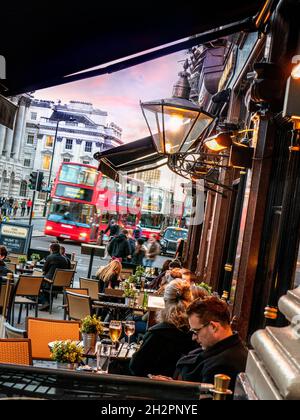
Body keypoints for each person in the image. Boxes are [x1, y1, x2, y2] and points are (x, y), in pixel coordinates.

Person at [172, 296, 248, 391]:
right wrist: (171, 383)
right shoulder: (221, 347)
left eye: (196, 331)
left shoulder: (224, 366)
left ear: (213, 327)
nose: (193, 337)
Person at [129, 280, 197, 378]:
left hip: (155, 388)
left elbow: (135, 367)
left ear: (165, 301)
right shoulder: (195, 334)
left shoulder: (156, 334)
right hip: (184, 389)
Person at [40, 243, 70, 310]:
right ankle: (46, 303)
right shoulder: (65, 259)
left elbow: (44, 269)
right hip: (61, 286)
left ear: (51, 249)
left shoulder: (50, 257)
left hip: (50, 284)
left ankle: (45, 302)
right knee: (45, 284)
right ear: (59, 249)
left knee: (37, 283)